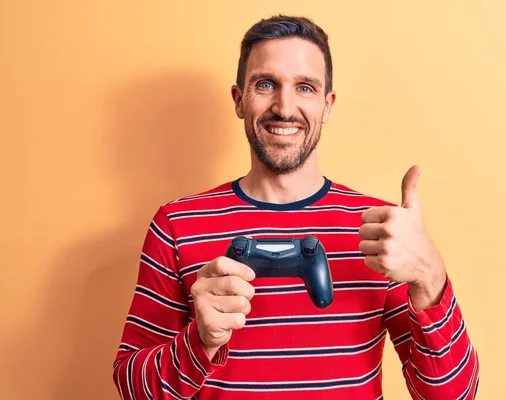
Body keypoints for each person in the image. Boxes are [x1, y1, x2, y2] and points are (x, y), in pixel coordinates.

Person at [112, 14, 480, 400]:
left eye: (305, 87)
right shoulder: (176, 225)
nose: (284, 108)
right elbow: (133, 390)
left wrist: (429, 274)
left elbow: (453, 396)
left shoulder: (381, 231)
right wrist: (198, 343)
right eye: (266, 84)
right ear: (239, 100)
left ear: (327, 104)